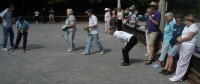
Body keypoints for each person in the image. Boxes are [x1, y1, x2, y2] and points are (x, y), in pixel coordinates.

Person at [169, 15, 198, 82]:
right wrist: (179, 38)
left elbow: (189, 37)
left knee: (184, 62)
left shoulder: (193, 26)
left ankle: (179, 77)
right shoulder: (186, 26)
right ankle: (177, 75)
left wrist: (181, 39)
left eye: (187, 20)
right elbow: (183, 34)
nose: (185, 21)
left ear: (190, 20)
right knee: (180, 60)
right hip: (183, 44)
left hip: (189, 45)